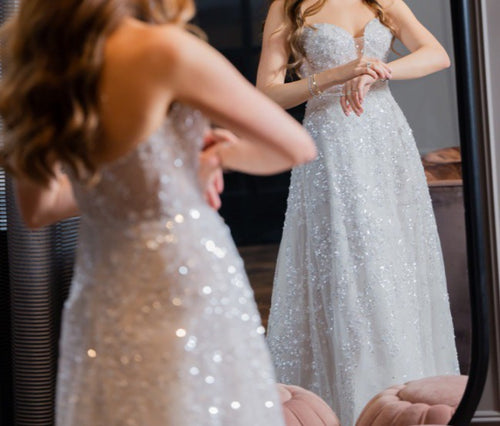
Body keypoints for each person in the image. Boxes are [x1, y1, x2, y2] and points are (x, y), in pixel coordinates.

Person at [0, 0, 317, 424]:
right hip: (184, 273)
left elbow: (38, 210)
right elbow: (295, 146)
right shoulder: (168, 50)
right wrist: (213, 158)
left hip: (103, 286)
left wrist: (122, 189)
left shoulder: (43, 64)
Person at [256, 0, 460, 424]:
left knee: (396, 265)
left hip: (387, 138)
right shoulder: (288, 5)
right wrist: (334, 74)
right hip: (332, 143)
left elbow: (436, 53)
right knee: (350, 267)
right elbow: (266, 95)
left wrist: (377, 71)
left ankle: (400, 397)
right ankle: (353, 402)